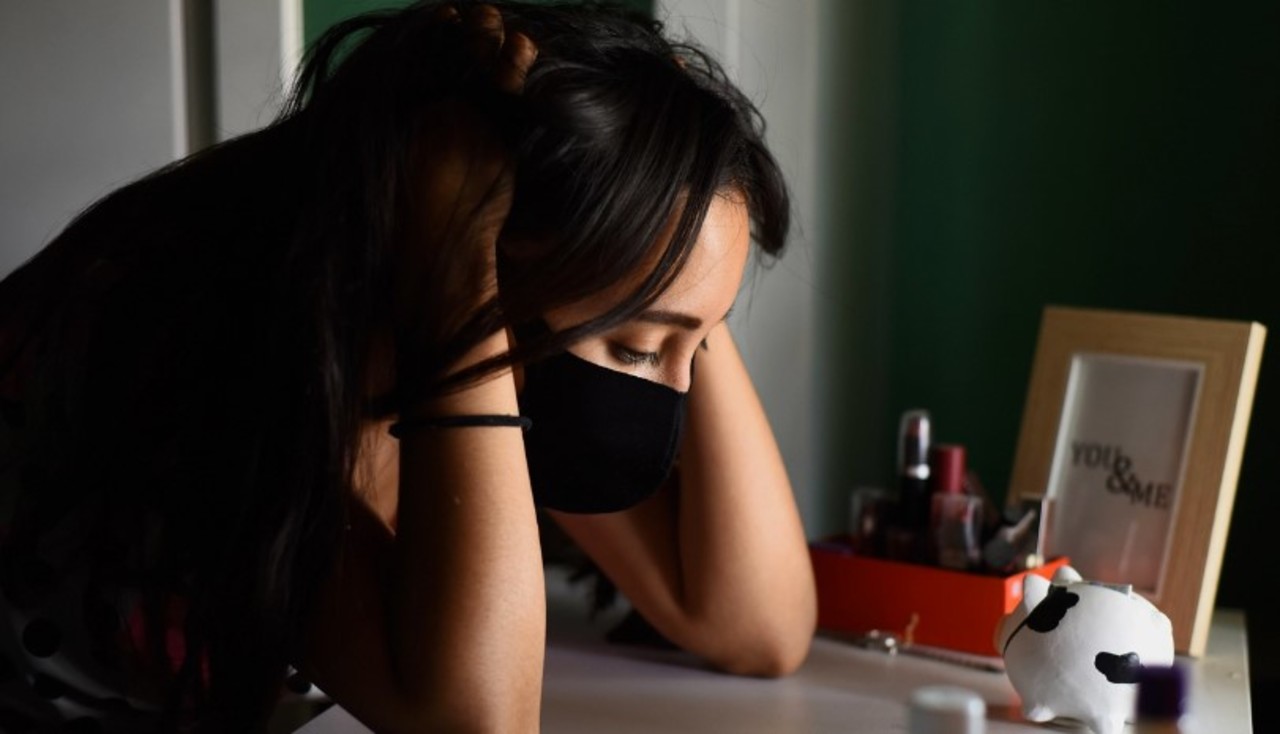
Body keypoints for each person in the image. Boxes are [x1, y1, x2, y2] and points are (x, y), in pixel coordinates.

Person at [0, 1, 815, 731]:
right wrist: (460, 260)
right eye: (638, 346)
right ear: (482, 253)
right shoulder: (221, 358)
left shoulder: (482, 343)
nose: (674, 395)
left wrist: (670, 218)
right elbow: (476, 721)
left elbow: (758, 628)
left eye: (698, 345)